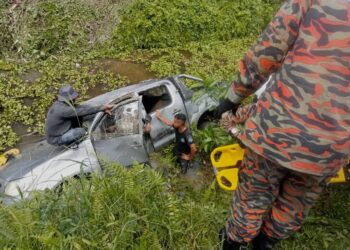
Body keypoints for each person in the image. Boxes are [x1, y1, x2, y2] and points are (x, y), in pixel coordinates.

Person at [214, 0, 350, 249]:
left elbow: (270, 48)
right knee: (296, 202)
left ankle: (234, 242)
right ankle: (266, 243)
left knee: (253, 194)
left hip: (277, 127)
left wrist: (232, 97)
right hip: (331, 147)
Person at [45, 85, 113, 146]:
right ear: (70, 99)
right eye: (73, 98)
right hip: (57, 138)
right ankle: (71, 143)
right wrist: (102, 108)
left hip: (63, 128)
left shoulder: (61, 104)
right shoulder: (63, 110)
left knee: (86, 109)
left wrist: (100, 110)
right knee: (80, 132)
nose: (75, 99)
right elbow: (83, 111)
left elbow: (81, 108)